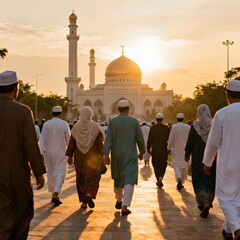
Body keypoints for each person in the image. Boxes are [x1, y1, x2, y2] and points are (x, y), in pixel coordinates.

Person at [0, 71, 46, 239]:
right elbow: (31, 146)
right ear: (15, 89)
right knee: (22, 214)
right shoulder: (23, 112)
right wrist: (38, 172)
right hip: (17, 173)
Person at [203, 80, 240, 240]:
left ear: (227, 95)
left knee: (225, 195)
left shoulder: (223, 114)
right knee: (237, 197)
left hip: (229, 162)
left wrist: (207, 162)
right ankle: (228, 230)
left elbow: (213, 142)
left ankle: (237, 228)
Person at [103, 100, 145, 215]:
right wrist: (142, 152)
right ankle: (125, 205)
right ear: (129, 108)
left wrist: (106, 154)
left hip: (116, 154)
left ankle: (119, 199)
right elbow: (140, 139)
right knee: (129, 179)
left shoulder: (113, 122)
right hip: (130, 154)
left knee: (118, 178)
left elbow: (108, 139)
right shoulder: (134, 121)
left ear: (118, 109)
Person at [66, 106, 104, 209]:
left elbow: (71, 143)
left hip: (79, 157)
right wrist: (104, 155)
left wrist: (69, 156)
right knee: (94, 176)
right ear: (90, 115)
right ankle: (89, 194)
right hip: (92, 156)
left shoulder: (76, 127)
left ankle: (84, 202)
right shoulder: (95, 126)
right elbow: (99, 143)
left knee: (81, 177)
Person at [185, 104, 216, 218]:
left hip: (198, 156)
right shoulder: (213, 124)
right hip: (212, 156)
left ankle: (204, 202)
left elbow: (190, 141)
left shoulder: (195, 125)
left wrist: (187, 153)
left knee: (198, 179)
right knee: (210, 178)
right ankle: (208, 200)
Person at [39, 106, 71, 206]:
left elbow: (42, 139)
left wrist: (41, 153)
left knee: (51, 172)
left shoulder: (46, 124)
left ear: (52, 113)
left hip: (49, 152)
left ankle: (54, 194)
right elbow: (68, 139)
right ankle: (56, 193)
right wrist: (71, 152)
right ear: (60, 113)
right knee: (61, 172)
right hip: (61, 152)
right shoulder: (64, 124)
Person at [167, 113, 190, 190]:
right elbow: (191, 139)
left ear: (177, 119)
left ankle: (178, 178)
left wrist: (168, 147)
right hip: (186, 150)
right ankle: (181, 181)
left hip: (176, 149)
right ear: (183, 119)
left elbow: (171, 139)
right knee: (184, 166)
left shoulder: (174, 127)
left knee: (177, 165)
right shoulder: (188, 127)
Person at [147, 113, 170, 188]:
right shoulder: (166, 128)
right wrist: (169, 149)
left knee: (155, 163)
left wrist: (148, 149)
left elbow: (150, 139)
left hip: (155, 149)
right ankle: (160, 177)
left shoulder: (153, 128)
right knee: (163, 164)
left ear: (156, 119)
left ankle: (158, 178)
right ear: (162, 119)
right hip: (163, 149)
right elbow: (169, 139)